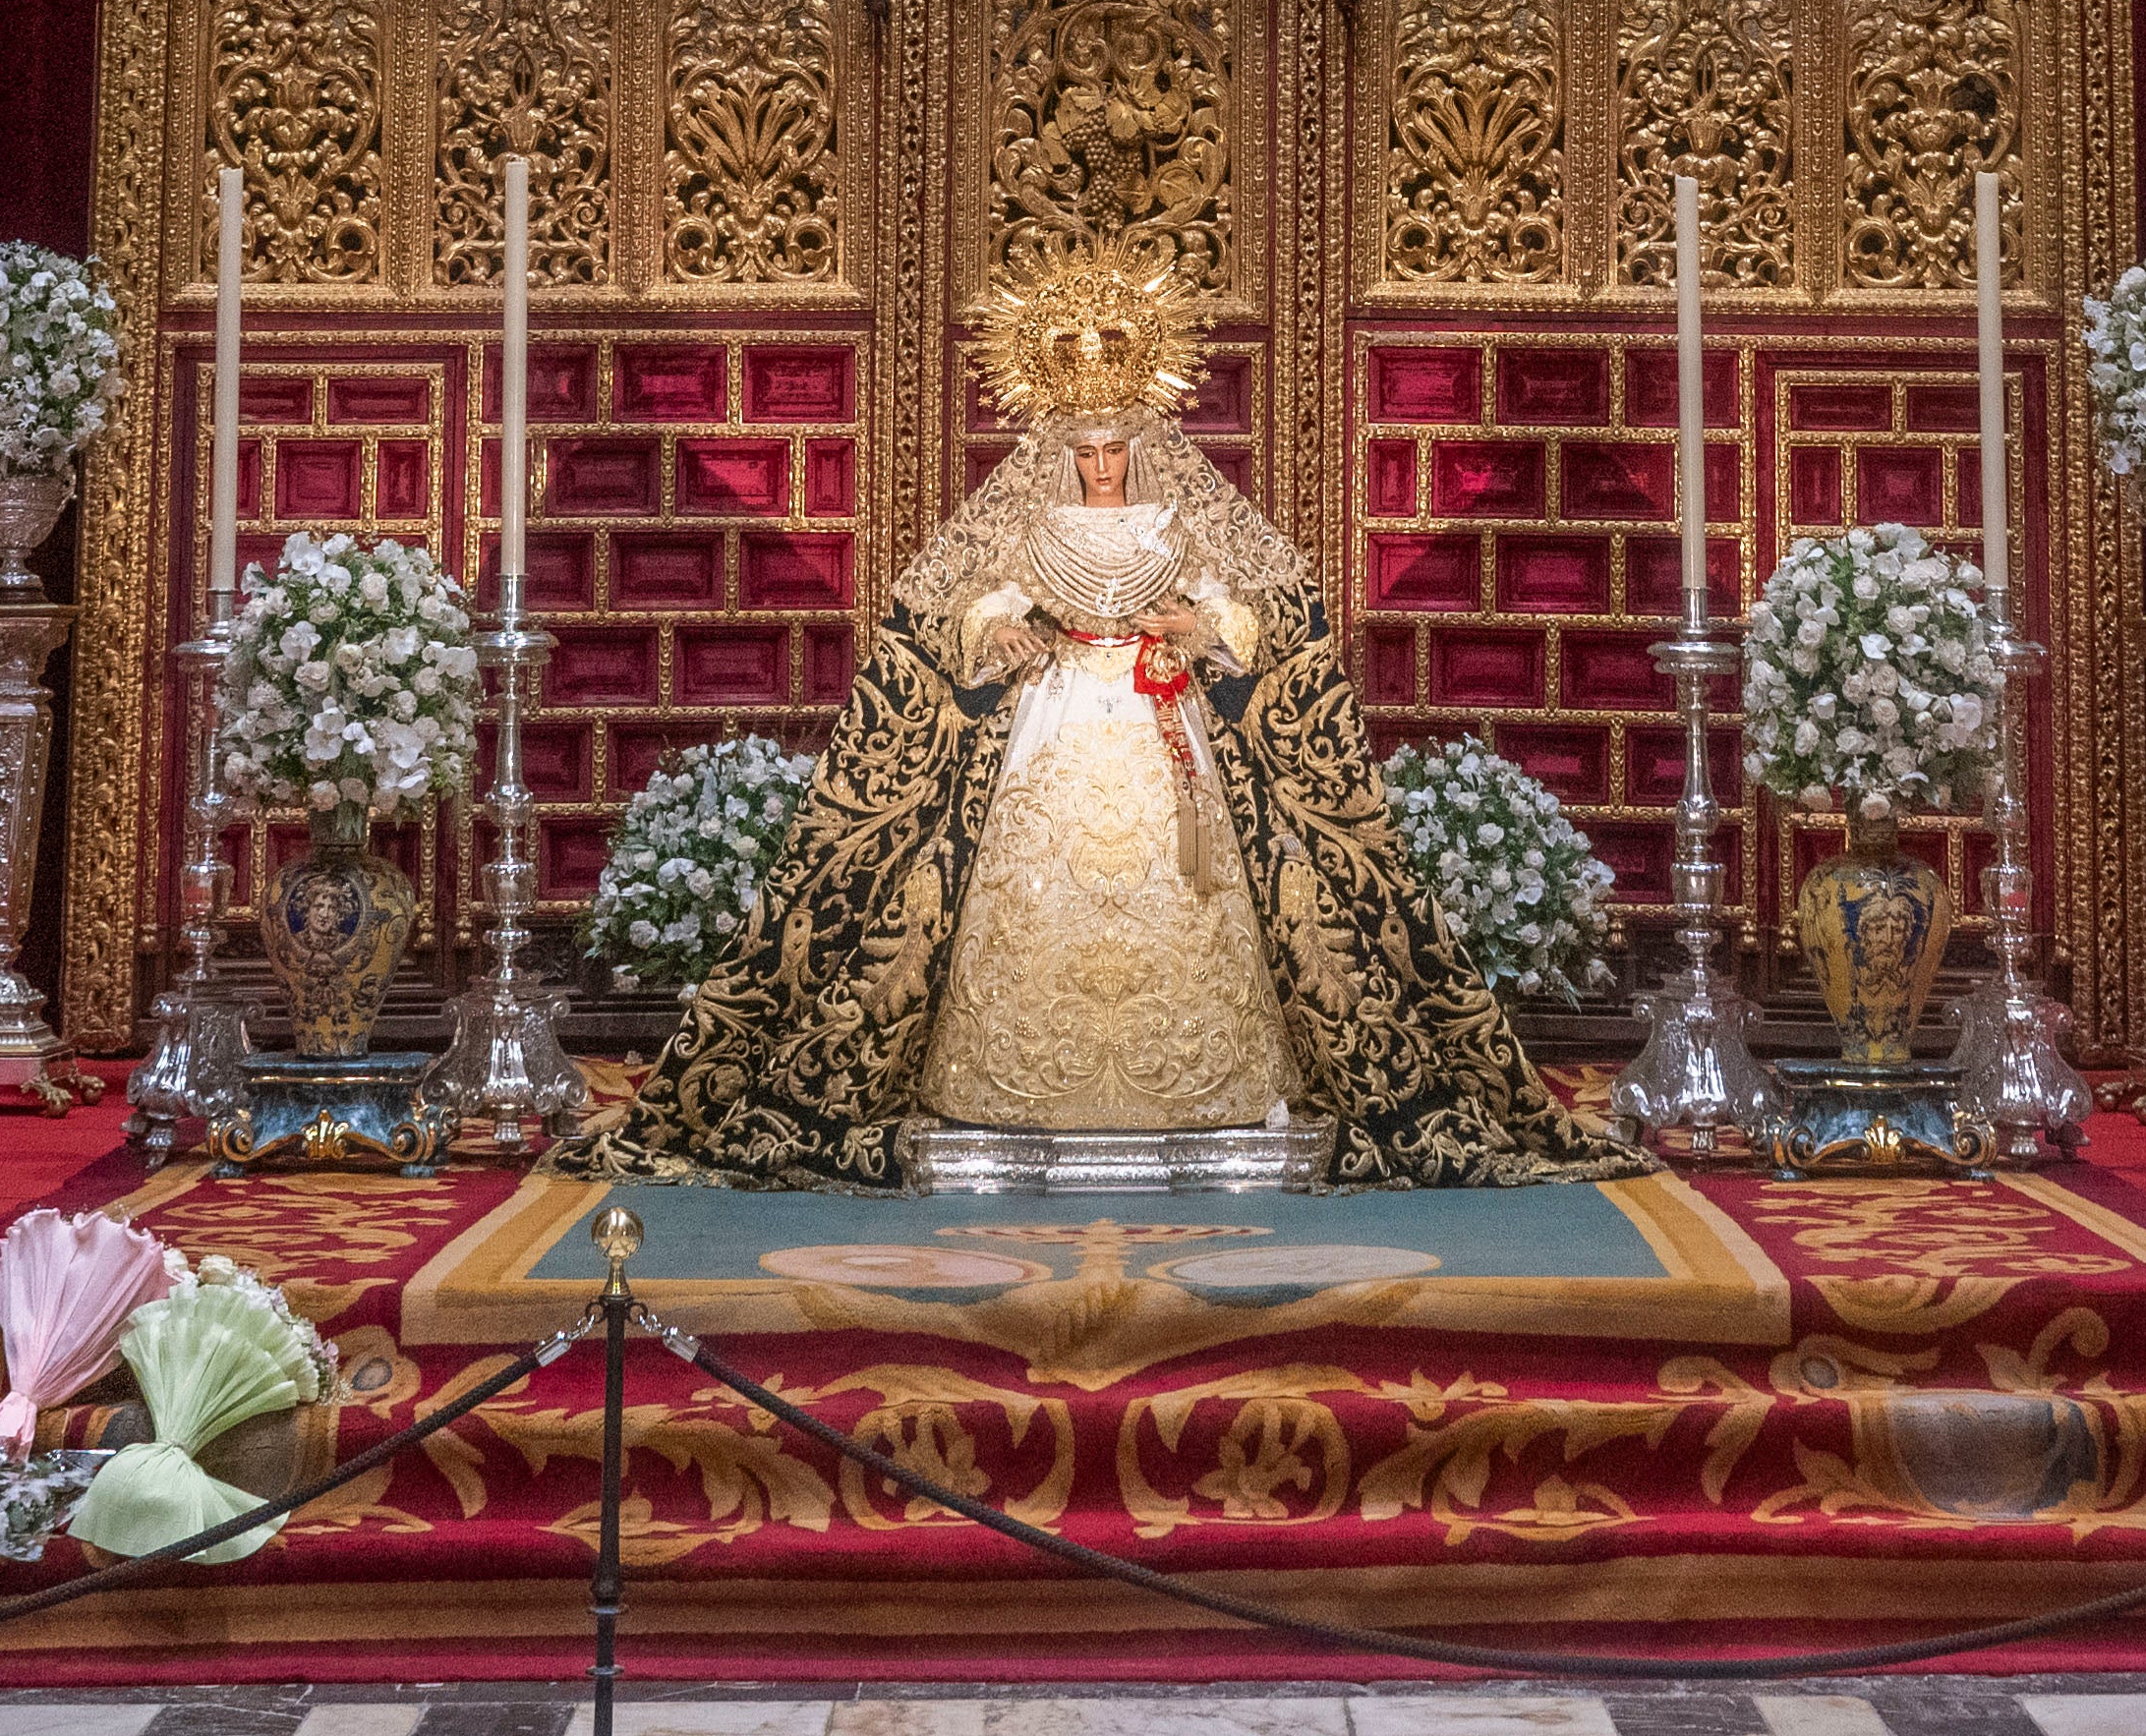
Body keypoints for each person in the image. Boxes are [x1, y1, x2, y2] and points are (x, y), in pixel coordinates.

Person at [606, 255, 1604, 1186]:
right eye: (1084, 452)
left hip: (1159, 713)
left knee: (1190, 884)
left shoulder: (1178, 521)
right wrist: (1002, 627)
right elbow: (981, 597)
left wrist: (1195, 623)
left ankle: (1202, 1082)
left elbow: (1244, 606)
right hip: (1056, 712)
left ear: (1143, 445)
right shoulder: (1032, 521)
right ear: (1060, 452)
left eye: (1115, 449)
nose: (1101, 467)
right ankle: (1017, 1079)